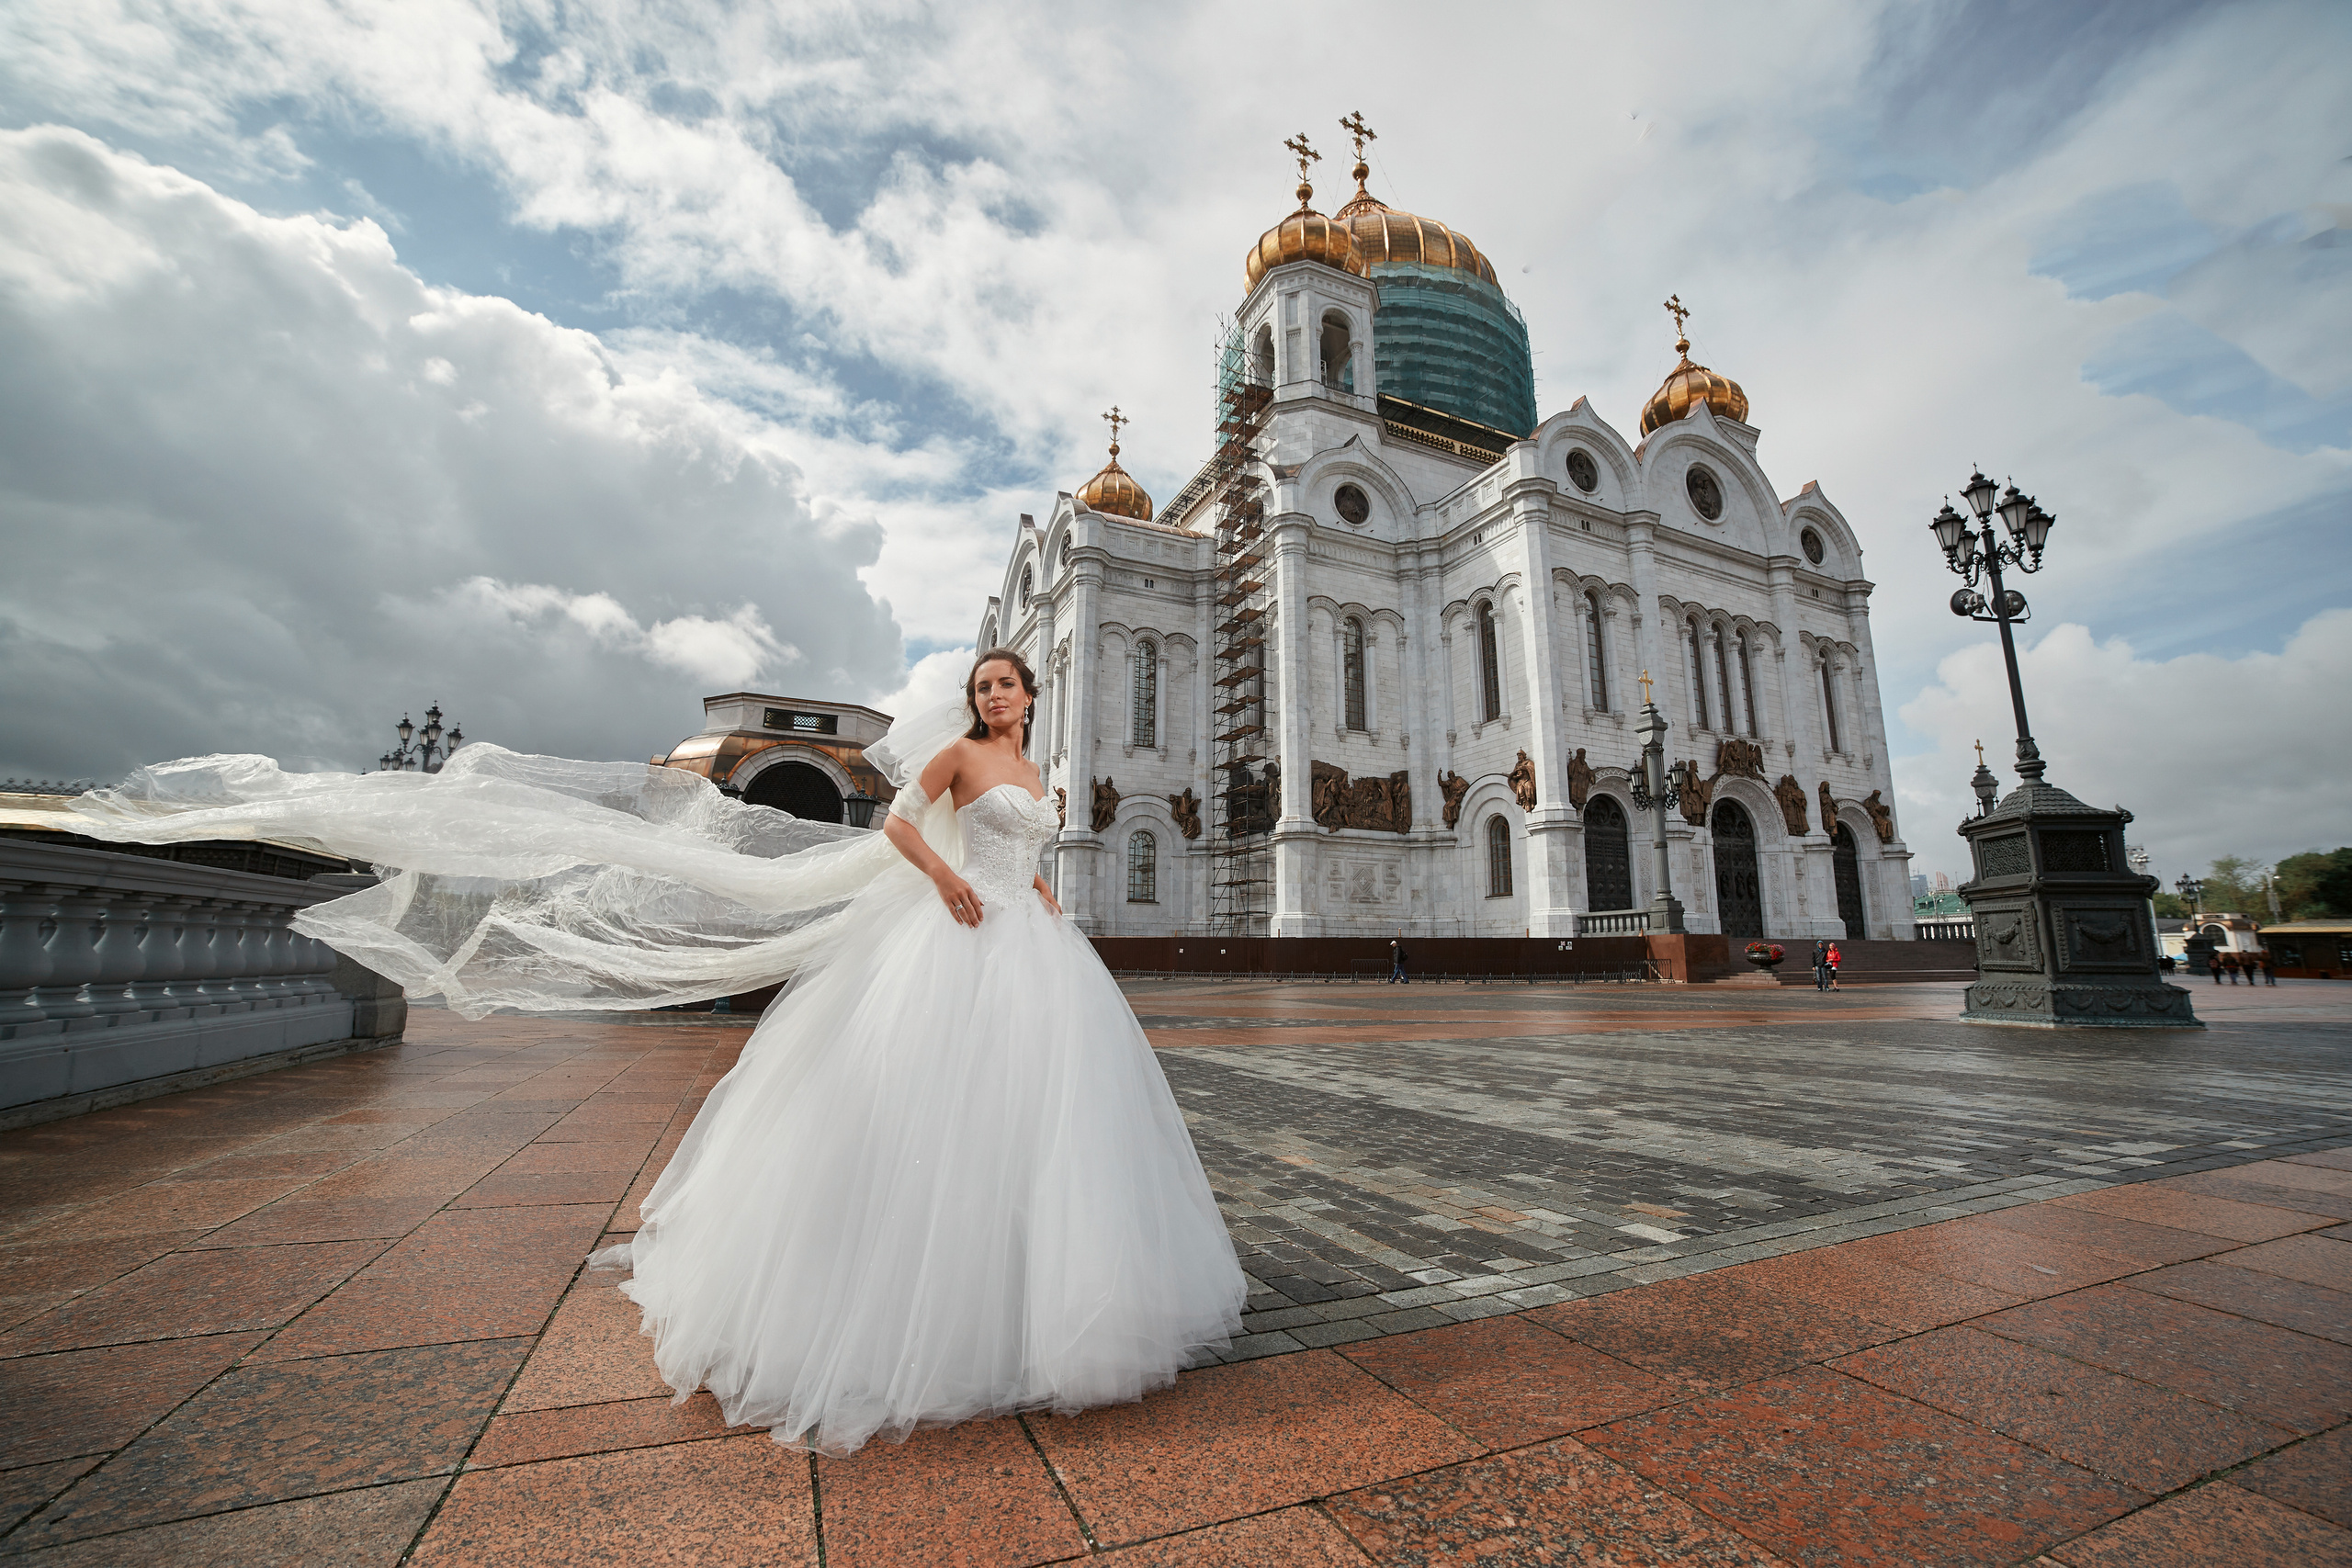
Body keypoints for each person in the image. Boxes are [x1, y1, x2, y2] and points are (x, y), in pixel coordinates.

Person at [69, 649, 1245, 1456]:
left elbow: (1026, 844)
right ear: (975, 702)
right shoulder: (955, 761)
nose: (997, 700)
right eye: (985, 686)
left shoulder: (1034, 771)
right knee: (929, 1110)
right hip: (953, 938)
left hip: (1031, 947)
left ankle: (1039, 1297)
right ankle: (921, 1312)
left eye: (1008, 687)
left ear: (1030, 701)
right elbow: (897, 821)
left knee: (1045, 1124)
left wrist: (1033, 893)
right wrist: (947, 882)